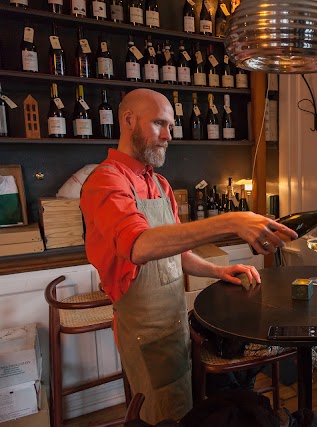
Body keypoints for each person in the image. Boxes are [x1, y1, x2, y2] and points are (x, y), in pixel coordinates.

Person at [80, 88, 298, 424]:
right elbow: (140, 246)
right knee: (163, 416)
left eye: (171, 125)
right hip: (145, 332)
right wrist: (229, 221)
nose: (169, 135)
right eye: (159, 124)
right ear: (128, 120)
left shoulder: (160, 184)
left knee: (187, 410)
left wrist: (214, 270)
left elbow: (176, 251)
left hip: (174, 321)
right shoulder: (106, 182)